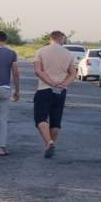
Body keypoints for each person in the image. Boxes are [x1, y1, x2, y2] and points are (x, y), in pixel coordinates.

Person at [32, 30, 76, 158]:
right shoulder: (68, 54)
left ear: (50, 39)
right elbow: (73, 73)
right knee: (56, 121)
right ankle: (50, 145)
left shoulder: (41, 51)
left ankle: (49, 142)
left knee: (40, 119)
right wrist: (64, 84)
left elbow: (37, 70)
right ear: (61, 39)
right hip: (60, 91)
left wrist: (50, 81)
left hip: (44, 89)